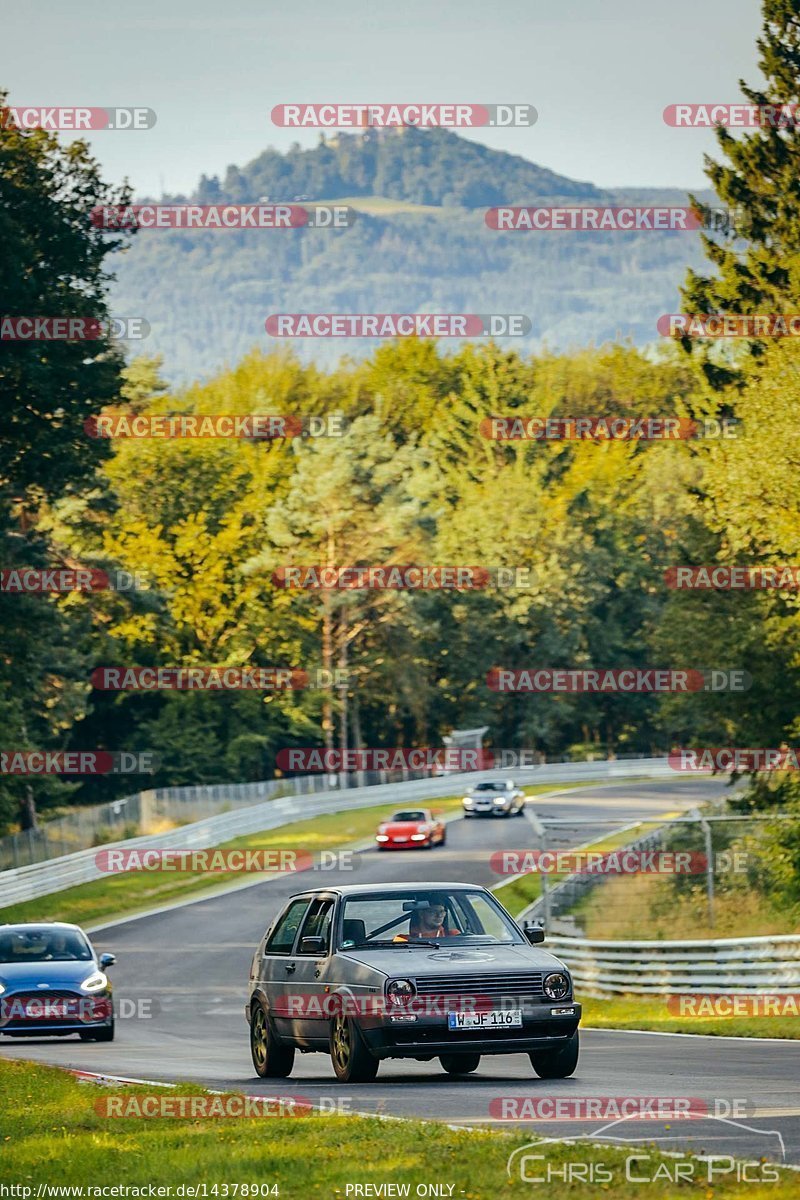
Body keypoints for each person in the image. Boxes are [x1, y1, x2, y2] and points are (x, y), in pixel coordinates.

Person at [393, 898, 460, 942]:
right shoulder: (403, 940)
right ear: (421, 914)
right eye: (433, 912)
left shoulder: (453, 935)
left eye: (442, 912)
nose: (439, 915)